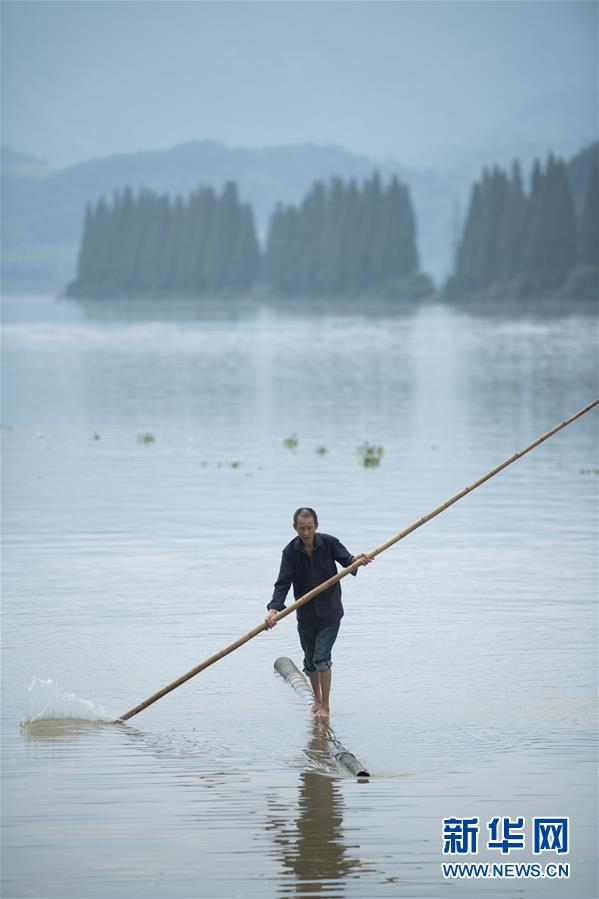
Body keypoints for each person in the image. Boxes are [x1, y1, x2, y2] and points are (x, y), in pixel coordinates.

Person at [265, 507, 371, 718]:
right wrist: (273, 610)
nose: (306, 532)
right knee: (310, 662)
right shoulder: (290, 552)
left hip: (330, 612)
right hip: (306, 614)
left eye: (309, 528)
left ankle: (326, 707)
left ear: (316, 526)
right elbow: (282, 584)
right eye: (301, 528)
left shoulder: (329, 543)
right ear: (294, 527)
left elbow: (348, 560)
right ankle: (317, 700)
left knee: (321, 658)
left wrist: (356, 561)